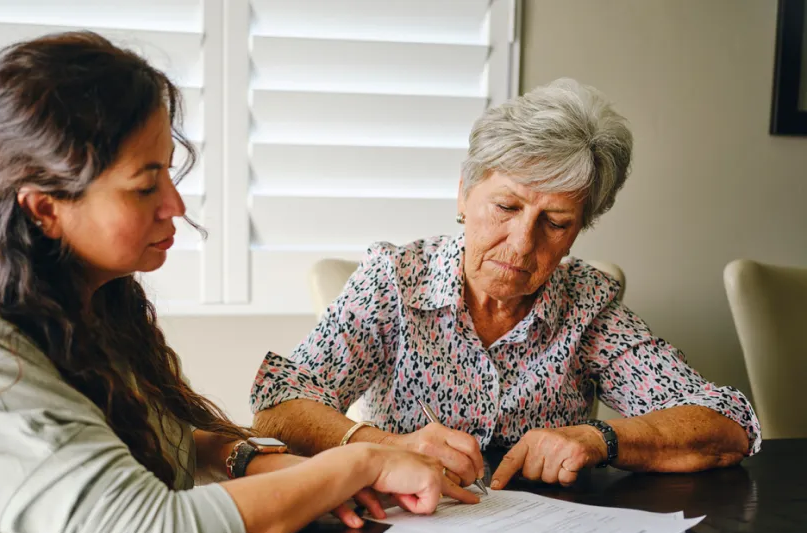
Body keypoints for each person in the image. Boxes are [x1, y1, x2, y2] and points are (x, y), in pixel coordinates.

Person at [0, 32, 474, 533]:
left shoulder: (82, 302)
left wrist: (284, 470)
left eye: (169, 173)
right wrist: (359, 464)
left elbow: (169, 438)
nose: (175, 205)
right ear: (44, 209)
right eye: (146, 185)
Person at [250, 78, 761, 491]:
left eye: (555, 222)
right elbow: (278, 406)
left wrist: (599, 437)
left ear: (577, 231)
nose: (520, 244)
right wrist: (385, 445)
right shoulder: (395, 281)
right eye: (506, 207)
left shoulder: (589, 305)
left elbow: (725, 425)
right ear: (464, 195)